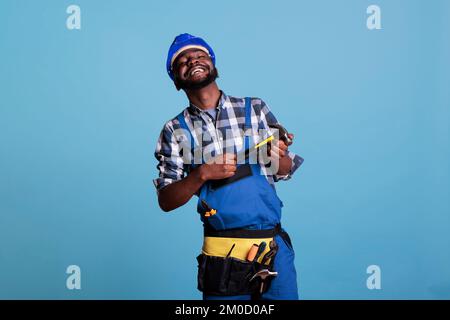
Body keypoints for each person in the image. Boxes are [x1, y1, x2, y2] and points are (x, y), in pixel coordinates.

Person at [154, 33, 304, 300]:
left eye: (200, 56)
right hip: (222, 256)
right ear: (175, 78)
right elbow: (166, 200)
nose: (193, 61)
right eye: (183, 61)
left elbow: (284, 168)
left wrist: (276, 153)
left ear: (213, 64)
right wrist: (202, 174)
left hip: (272, 249)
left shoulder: (254, 108)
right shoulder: (174, 130)